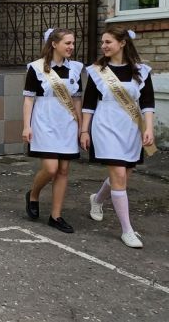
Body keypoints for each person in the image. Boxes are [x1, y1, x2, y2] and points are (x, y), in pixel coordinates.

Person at [81, 26, 156, 249]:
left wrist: (148, 128)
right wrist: (84, 130)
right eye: (102, 42)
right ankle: (127, 230)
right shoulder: (96, 71)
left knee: (123, 176)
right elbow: (88, 104)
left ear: (122, 43)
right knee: (119, 174)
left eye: (108, 42)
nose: (103, 46)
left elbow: (147, 103)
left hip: (131, 128)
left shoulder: (141, 71)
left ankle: (97, 199)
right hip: (105, 125)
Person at [22, 28, 83, 233]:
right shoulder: (36, 68)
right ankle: (33, 194)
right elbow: (29, 99)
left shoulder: (75, 68)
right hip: (44, 121)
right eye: (67, 43)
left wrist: (82, 128)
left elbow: (76, 100)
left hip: (67, 123)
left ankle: (56, 216)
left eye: (73, 43)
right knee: (51, 169)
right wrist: (26, 125)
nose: (71, 47)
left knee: (64, 170)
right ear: (54, 44)